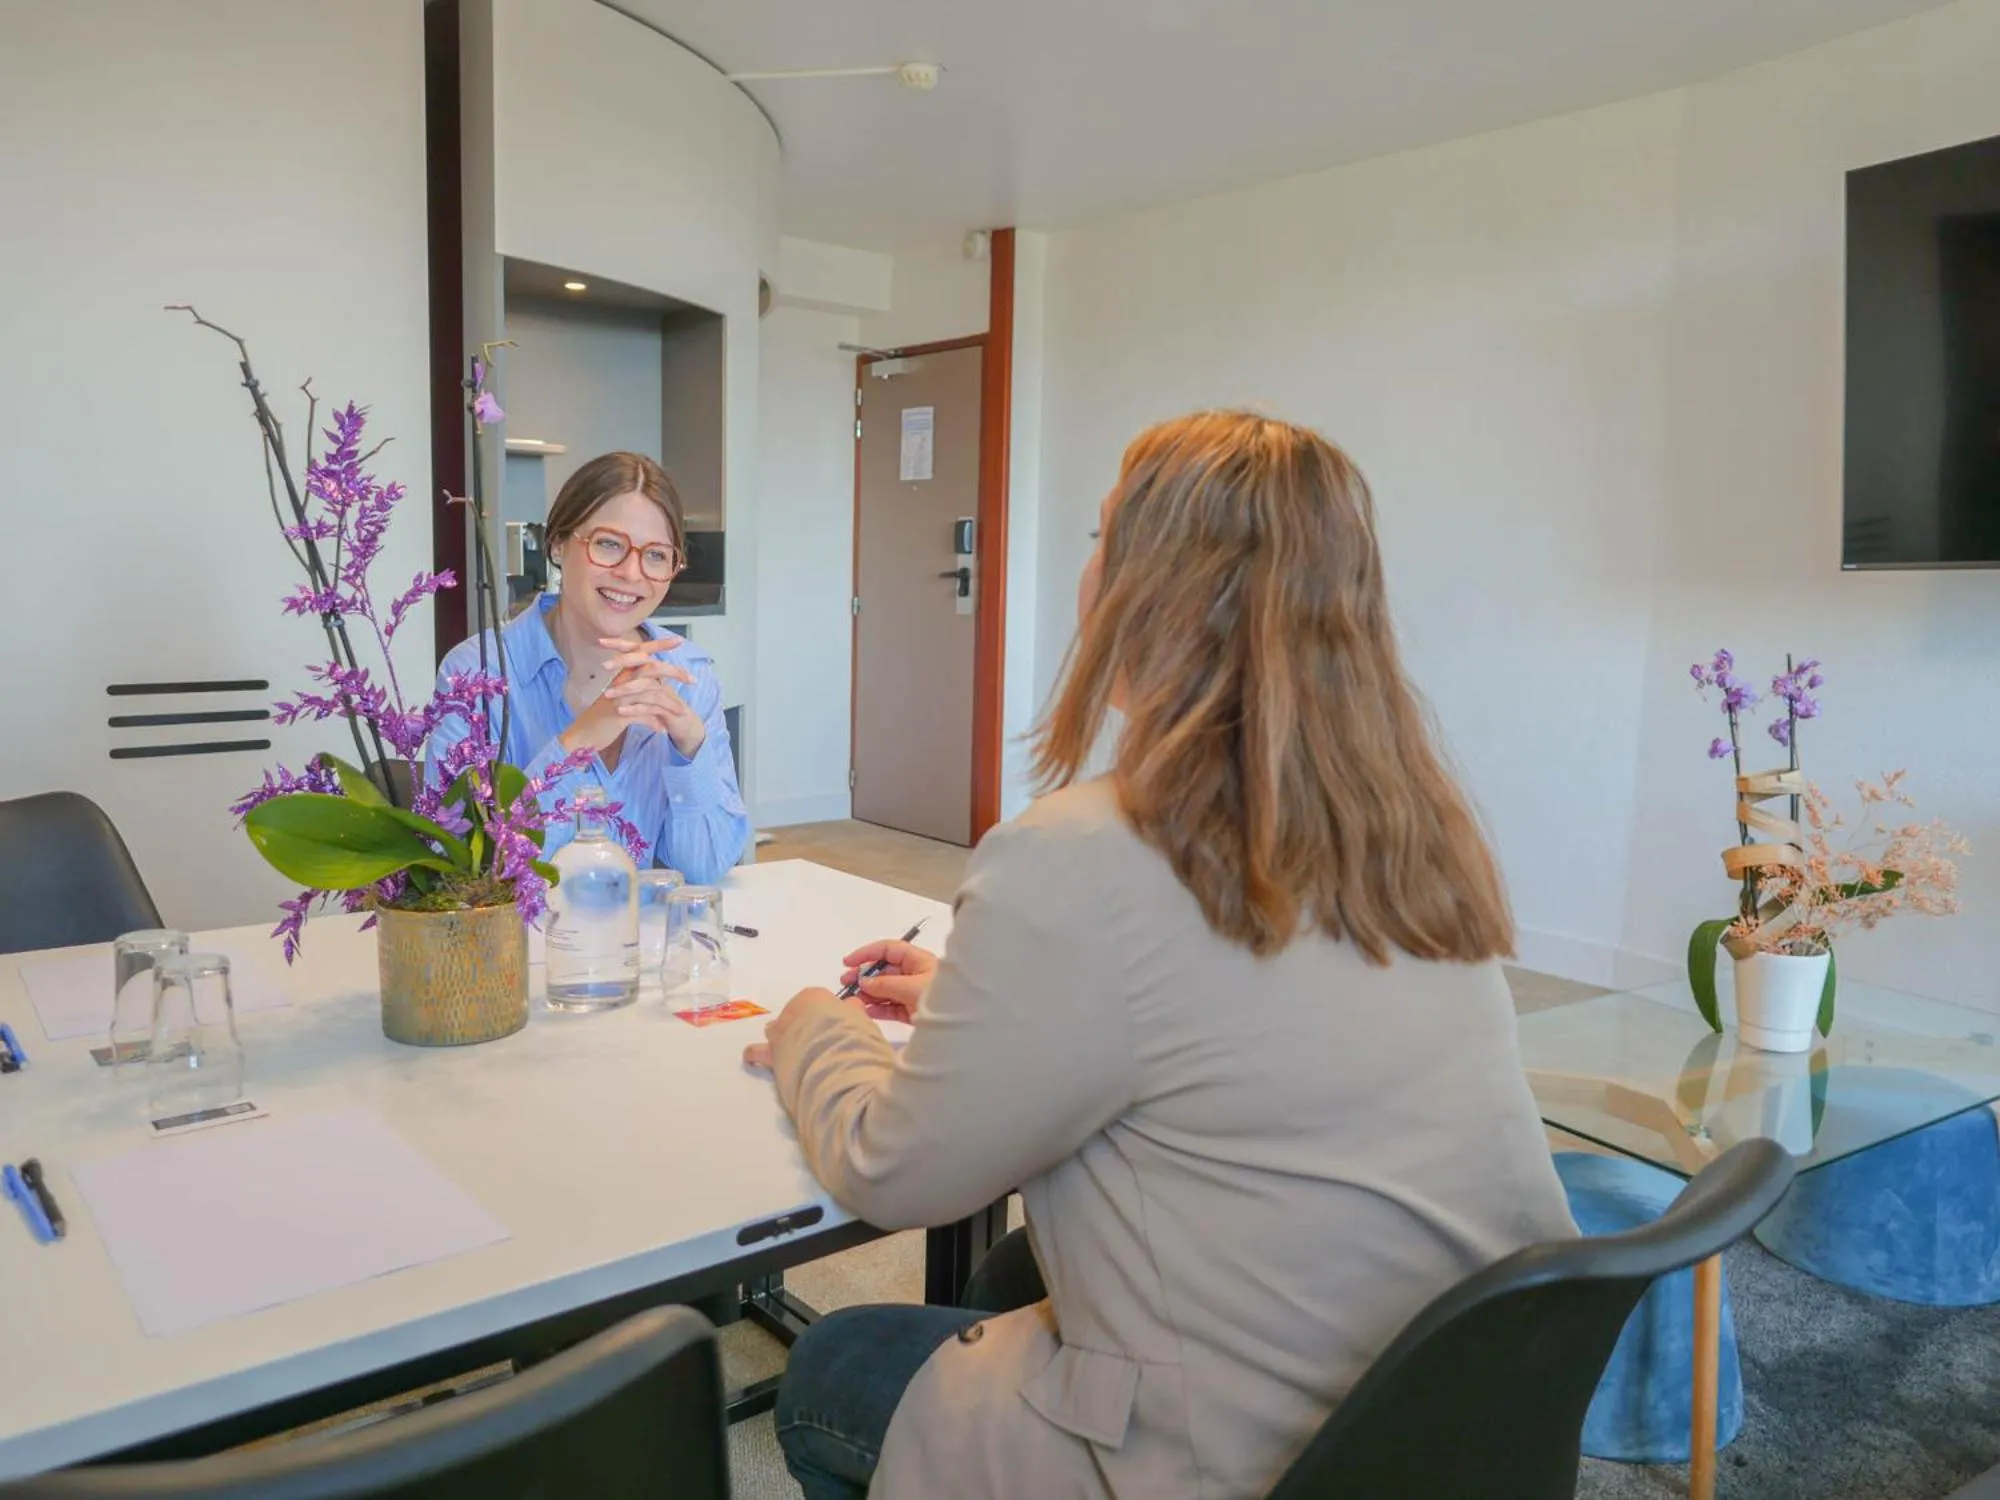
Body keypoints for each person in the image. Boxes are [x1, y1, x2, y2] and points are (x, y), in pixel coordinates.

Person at [744, 411, 1576, 1500]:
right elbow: (1233, 1032)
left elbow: (897, 1172)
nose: (1082, 572)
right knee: (1009, 1270)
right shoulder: (1412, 831)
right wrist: (985, 1006)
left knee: (836, 1362)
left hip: (1237, 1456)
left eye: (1098, 541)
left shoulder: (1078, 854)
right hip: (1456, 1413)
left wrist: (819, 1026)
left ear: (1155, 588)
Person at [428, 451, 749, 881]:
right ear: (558, 543)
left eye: (656, 555)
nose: (632, 574)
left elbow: (703, 869)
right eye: (609, 544)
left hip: (644, 943)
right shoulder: (478, 673)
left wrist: (691, 745)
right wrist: (579, 740)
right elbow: (460, 868)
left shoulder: (688, 676)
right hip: (520, 946)